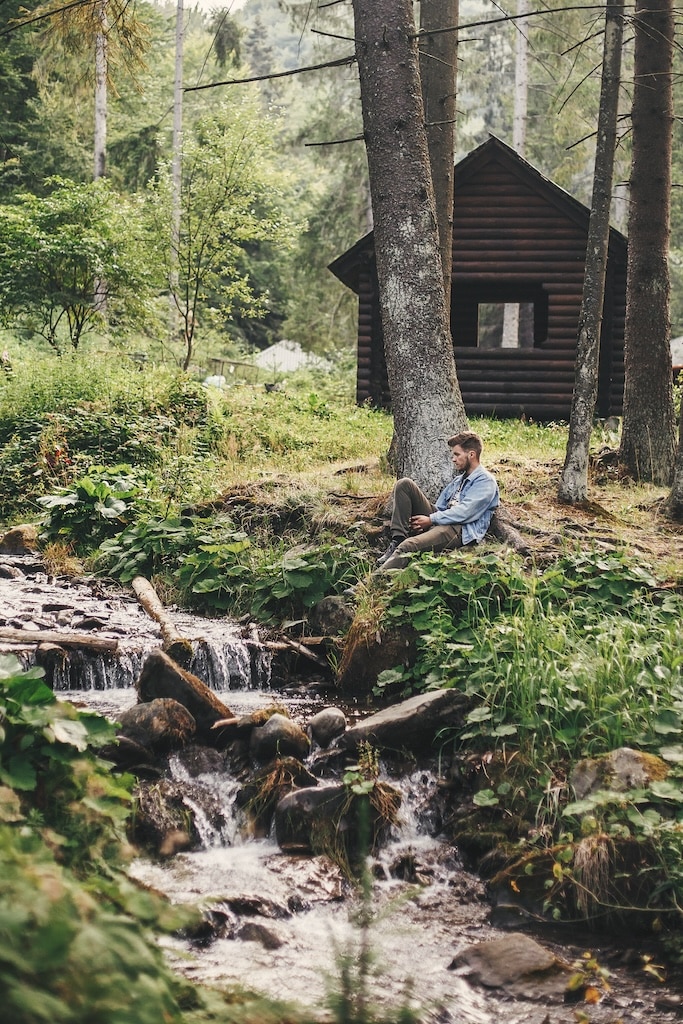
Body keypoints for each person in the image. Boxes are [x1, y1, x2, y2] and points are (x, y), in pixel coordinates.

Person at [377, 431, 499, 572]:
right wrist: (424, 521)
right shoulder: (458, 481)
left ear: (471, 454)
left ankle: (368, 584)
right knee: (405, 484)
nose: (453, 459)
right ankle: (397, 539)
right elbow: (440, 507)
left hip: (459, 528)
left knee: (408, 545)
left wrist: (430, 519)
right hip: (441, 519)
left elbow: (466, 512)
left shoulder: (485, 481)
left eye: (457, 454)